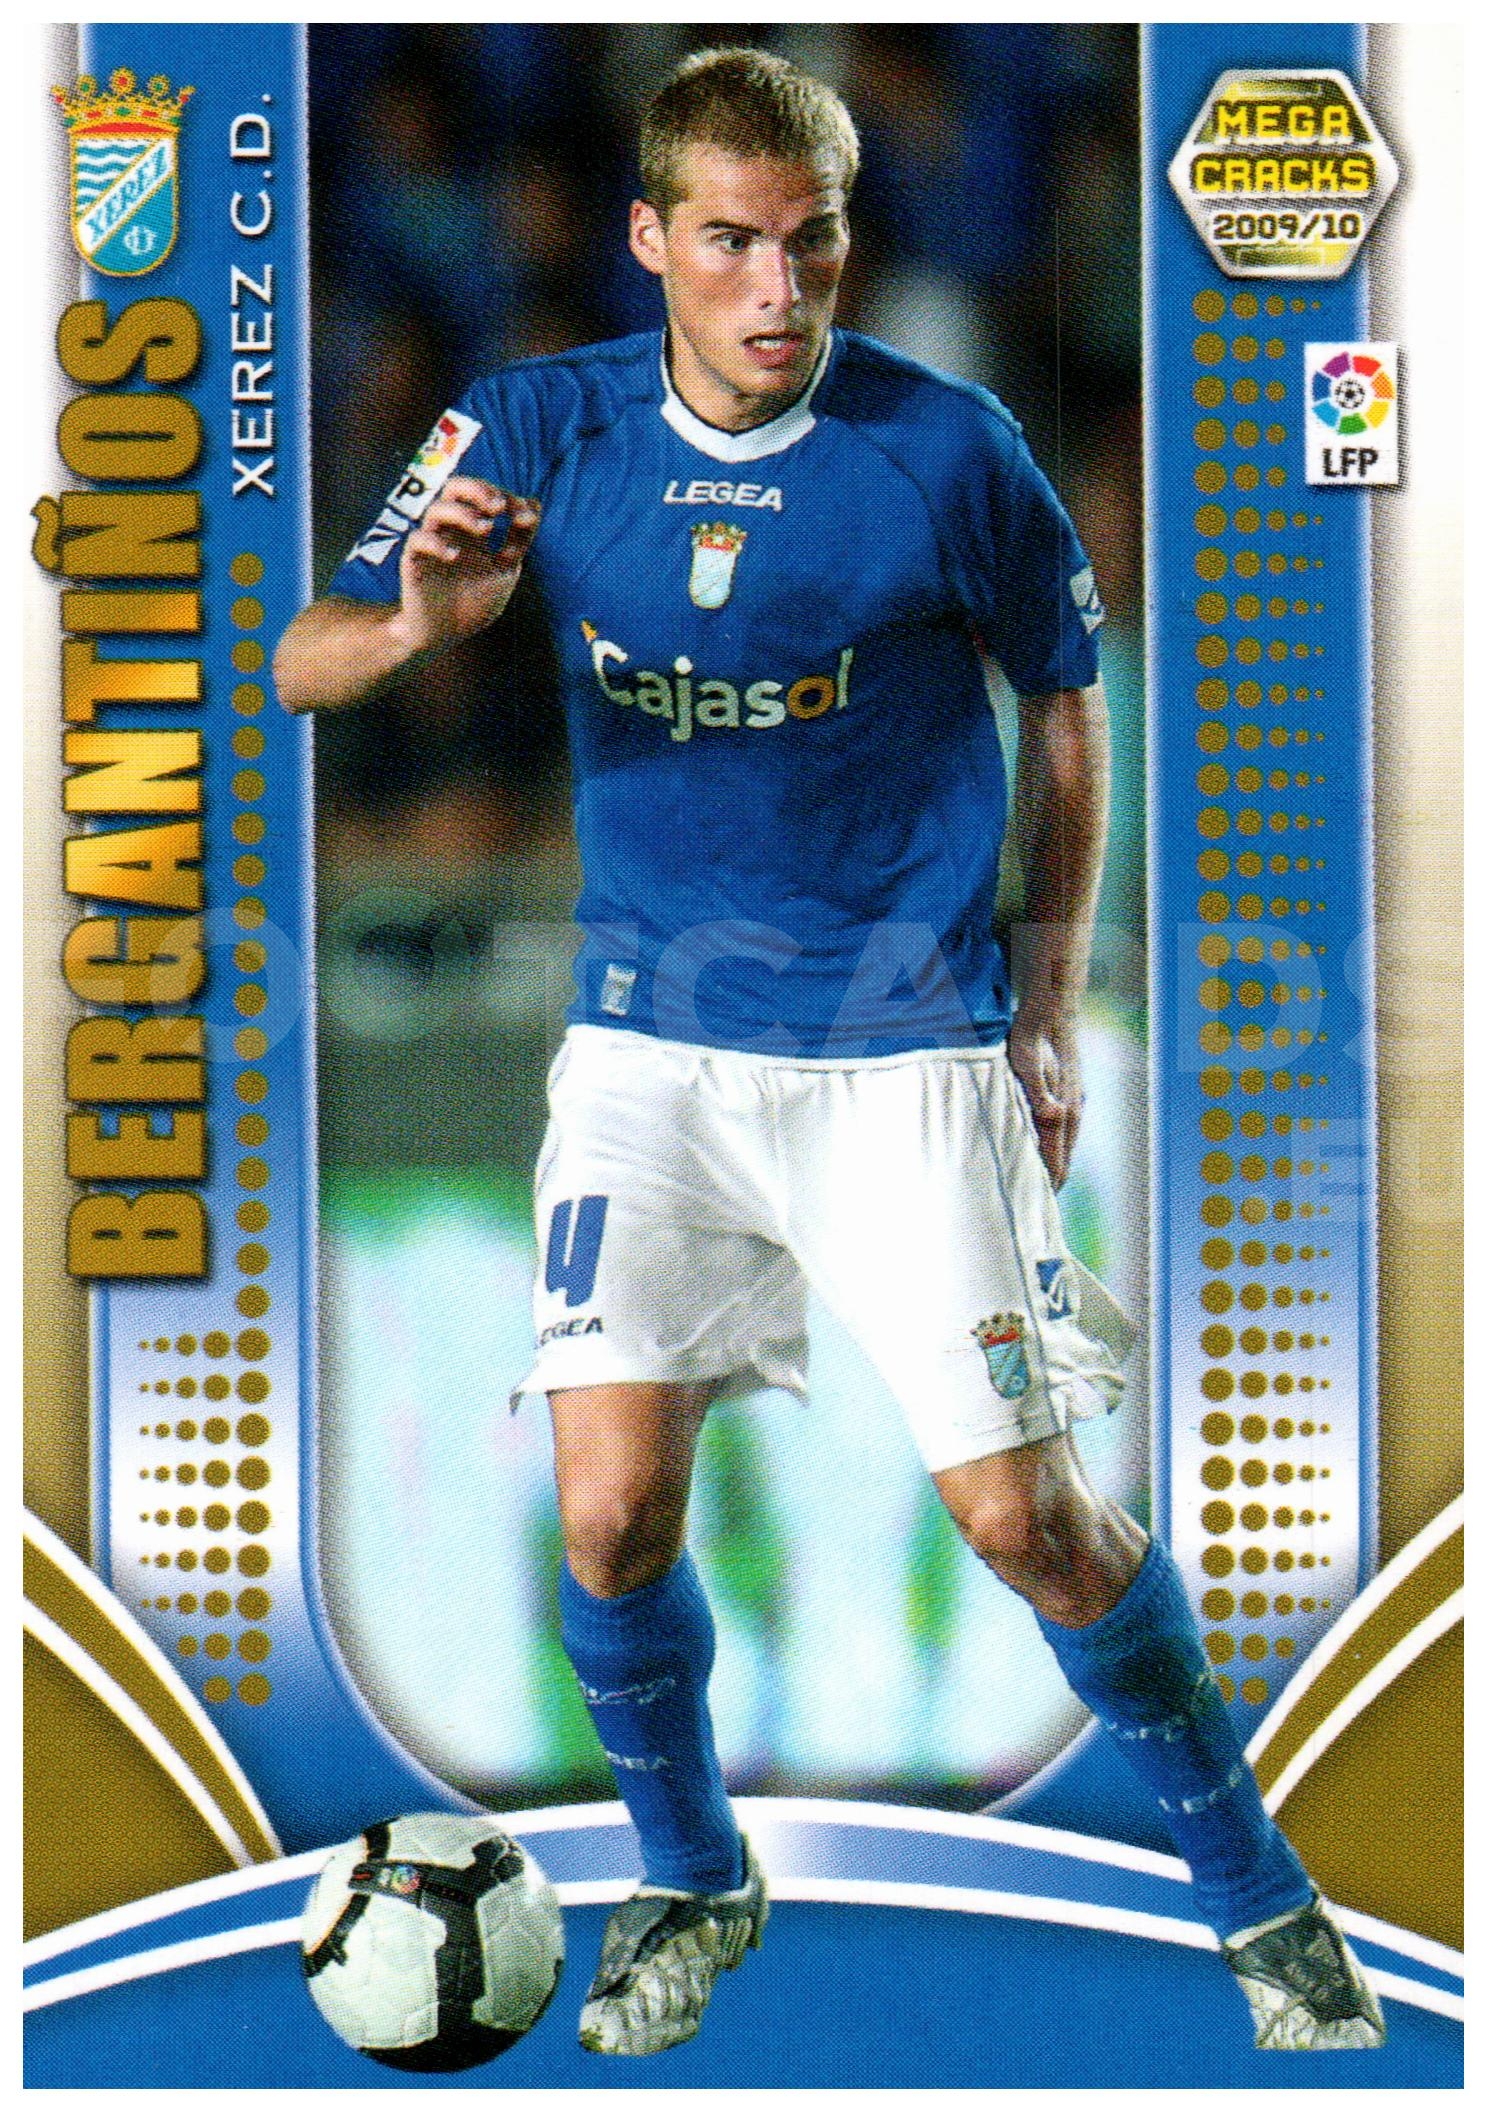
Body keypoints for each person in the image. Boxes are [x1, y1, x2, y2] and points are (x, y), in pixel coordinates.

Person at [277, 46, 1384, 2062]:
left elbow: (1065, 703)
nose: (778, 289)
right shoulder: (527, 426)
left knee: (1026, 1527)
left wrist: (1042, 994)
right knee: (608, 1517)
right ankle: (695, 1880)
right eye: (732, 244)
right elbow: (302, 659)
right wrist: (425, 620)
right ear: (650, 241)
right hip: (649, 1054)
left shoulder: (945, 450)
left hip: (904, 1059)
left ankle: (1263, 1902)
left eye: (813, 242)